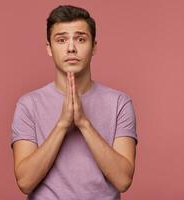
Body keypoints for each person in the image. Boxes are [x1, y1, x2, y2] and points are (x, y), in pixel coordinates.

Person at [10, 5, 138, 200]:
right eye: (61, 40)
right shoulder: (28, 105)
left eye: (80, 39)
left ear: (94, 46)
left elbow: (123, 180)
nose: (71, 48)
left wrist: (83, 123)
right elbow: (25, 182)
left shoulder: (120, 103)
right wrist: (62, 124)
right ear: (49, 48)